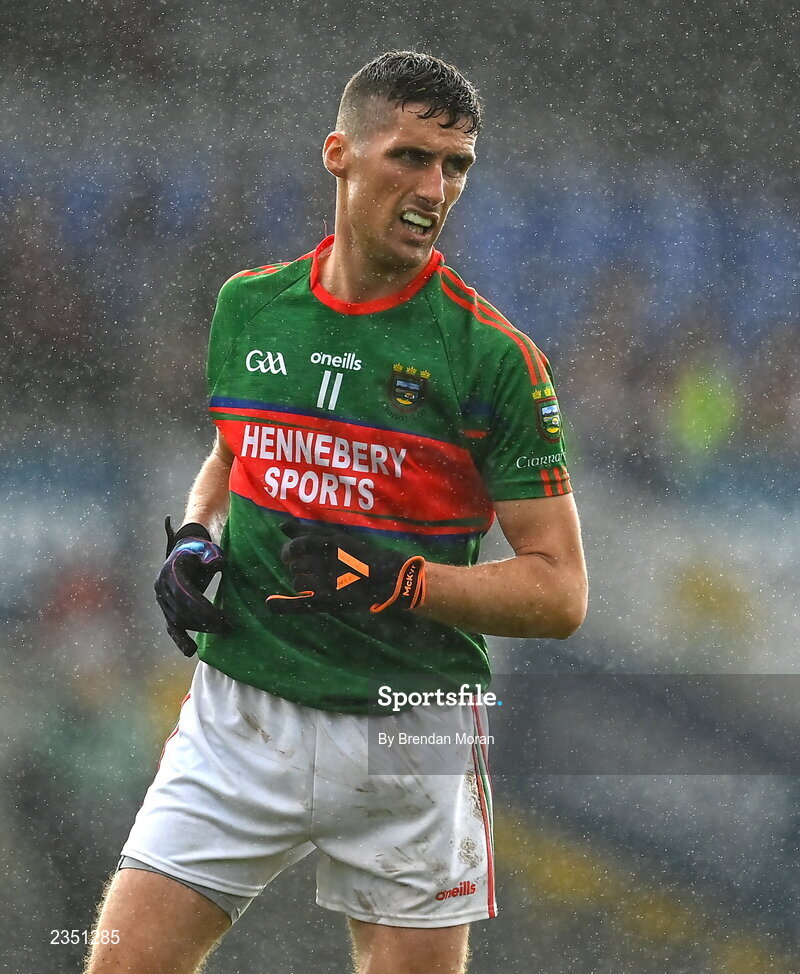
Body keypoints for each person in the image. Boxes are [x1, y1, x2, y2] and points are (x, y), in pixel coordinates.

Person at [85, 51, 588, 974]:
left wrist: (403, 583)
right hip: (241, 715)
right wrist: (197, 535)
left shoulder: (494, 361)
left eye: (456, 165)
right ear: (340, 155)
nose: (435, 187)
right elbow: (237, 453)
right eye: (410, 156)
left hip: (410, 727)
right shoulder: (249, 307)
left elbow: (559, 594)